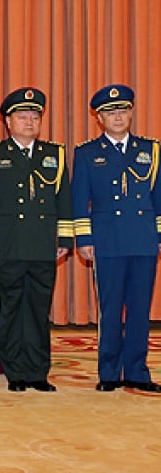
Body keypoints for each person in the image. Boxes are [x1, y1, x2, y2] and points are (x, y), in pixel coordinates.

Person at [0, 87, 73, 392]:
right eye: (22, 116)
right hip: (9, 242)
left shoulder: (54, 154)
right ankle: (14, 370)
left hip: (45, 243)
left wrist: (66, 238)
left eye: (35, 116)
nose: (29, 122)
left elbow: (64, 200)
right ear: (8, 121)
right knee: (11, 305)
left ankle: (38, 370)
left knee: (38, 307)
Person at [72, 84, 161, 392]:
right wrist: (84, 238)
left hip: (143, 240)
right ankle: (109, 371)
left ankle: (137, 371)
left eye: (123, 110)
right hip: (107, 241)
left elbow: (158, 197)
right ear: (99, 118)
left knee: (139, 309)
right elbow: (79, 199)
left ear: (131, 113)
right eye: (110, 112)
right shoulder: (86, 153)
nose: (118, 116)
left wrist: (158, 235)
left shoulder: (150, 151)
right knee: (110, 309)